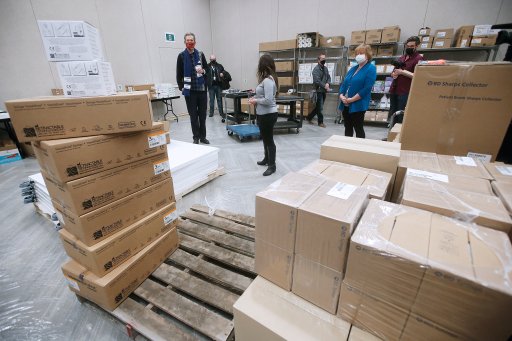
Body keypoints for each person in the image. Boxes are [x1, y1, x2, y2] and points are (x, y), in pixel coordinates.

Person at [176, 32, 210, 144]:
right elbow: (179, 73)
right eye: (188, 40)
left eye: (192, 40)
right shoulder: (181, 56)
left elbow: (207, 69)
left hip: (201, 90)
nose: (190, 42)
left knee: (202, 116)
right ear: (185, 42)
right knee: (193, 116)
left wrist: (203, 71)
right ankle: (196, 137)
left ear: (195, 41)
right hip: (190, 92)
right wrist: (181, 87)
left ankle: (203, 137)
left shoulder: (200, 54)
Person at [248, 54, 279, 176]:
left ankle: (272, 165)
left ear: (263, 65)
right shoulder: (267, 80)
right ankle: (267, 159)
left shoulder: (268, 81)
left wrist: (255, 100)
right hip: (263, 114)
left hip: (268, 115)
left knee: (269, 140)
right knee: (265, 139)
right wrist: (255, 94)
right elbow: (264, 96)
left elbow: (269, 100)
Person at [339, 44, 376, 138]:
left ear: (367, 55)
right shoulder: (353, 68)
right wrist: (341, 96)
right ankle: (348, 147)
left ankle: (359, 149)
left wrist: (351, 100)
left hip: (358, 104)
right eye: (357, 54)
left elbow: (367, 88)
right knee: (347, 127)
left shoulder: (371, 68)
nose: (358, 55)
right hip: (346, 103)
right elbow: (344, 84)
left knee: (358, 128)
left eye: (361, 53)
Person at [388, 36, 423, 122]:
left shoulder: (419, 59)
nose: (409, 48)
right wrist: (393, 74)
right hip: (394, 89)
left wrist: (402, 72)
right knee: (393, 113)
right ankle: (392, 132)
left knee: (401, 115)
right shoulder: (402, 58)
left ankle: (399, 133)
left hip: (405, 91)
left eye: (412, 46)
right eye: (408, 46)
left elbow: (418, 76)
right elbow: (393, 72)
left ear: (416, 46)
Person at [306, 54, 331, 127]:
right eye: (322, 59)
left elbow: (328, 77)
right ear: (318, 60)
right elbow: (317, 81)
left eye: (324, 58)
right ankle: (320, 122)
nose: (324, 60)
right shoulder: (316, 69)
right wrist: (324, 85)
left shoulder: (325, 68)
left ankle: (309, 117)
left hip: (324, 91)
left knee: (318, 107)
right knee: (320, 107)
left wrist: (328, 83)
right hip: (318, 91)